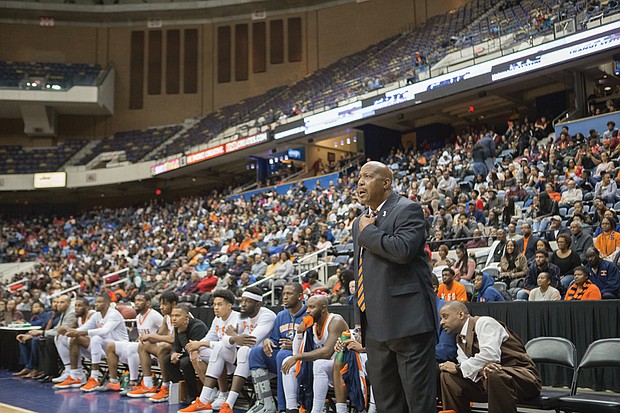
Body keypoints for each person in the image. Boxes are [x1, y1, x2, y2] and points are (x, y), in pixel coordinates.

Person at [353, 161, 437, 413]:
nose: (359, 182)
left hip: (407, 323)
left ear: (386, 182)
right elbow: (362, 272)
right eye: (359, 177)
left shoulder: (407, 209)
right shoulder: (361, 220)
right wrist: (361, 321)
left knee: (418, 404)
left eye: (367, 176)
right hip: (376, 326)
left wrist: (367, 232)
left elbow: (402, 251)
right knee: (387, 404)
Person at [181, 287, 276, 413]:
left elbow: (251, 341)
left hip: (265, 360)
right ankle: (204, 401)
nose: (243, 304)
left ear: (258, 304)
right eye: (242, 301)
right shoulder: (243, 316)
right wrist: (234, 338)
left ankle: (226, 401)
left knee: (242, 350)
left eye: (247, 301)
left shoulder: (267, 315)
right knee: (219, 348)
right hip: (243, 358)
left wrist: (233, 337)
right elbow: (226, 339)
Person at [438, 301, 541, 413]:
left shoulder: (485, 323)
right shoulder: (459, 338)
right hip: (487, 380)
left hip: (522, 377)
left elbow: (491, 355)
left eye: (445, 317)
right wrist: (471, 370)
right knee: (448, 376)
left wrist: (459, 368)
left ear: (461, 315)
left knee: (493, 373)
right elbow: (466, 365)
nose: (441, 323)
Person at [280, 295, 349, 413]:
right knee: (287, 361)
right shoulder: (313, 323)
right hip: (328, 367)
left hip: (344, 367)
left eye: (312, 307)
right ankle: (291, 408)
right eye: (307, 307)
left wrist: (298, 357)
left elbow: (327, 352)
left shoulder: (336, 321)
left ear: (323, 308)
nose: (307, 311)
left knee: (319, 364)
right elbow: (296, 353)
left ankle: (317, 410)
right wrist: (300, 333)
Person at [246, 283, 306, 413]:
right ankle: (265, 402)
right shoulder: (281, 316)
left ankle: (284, 407)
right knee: (256, 352)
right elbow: (275, 339)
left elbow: (315, 343)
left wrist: (296, 346)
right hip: (283, 358)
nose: (284, 297)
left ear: (300, 296)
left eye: (289, 294)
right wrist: (267, 341)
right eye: (284, 294)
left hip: (302, 359)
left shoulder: (309, 313)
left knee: (282, 355)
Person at [55, 293, 129, 392]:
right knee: (71, 338)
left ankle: (94, 378)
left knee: (96, 338)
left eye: (99, 302)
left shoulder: (114, 314)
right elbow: (83, 328)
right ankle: (75, 375)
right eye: (95, 302)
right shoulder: (97, 315)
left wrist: (80, 332)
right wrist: (68, 331)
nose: (96, 304)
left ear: (107, 304)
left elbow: (104, 331)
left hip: (120, 348)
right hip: (103, 348)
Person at [185, 289, 239, 410]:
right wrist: (196, 345)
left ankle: (223, 394)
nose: (216, 308)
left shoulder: (237, 318)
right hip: (220, 355)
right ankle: (212, 392)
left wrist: (201, 344)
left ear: (229, 306)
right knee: (196, 353)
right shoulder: (217, 319)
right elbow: (210, 336)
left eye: (220, 304)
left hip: (235, 357)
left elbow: (227, 343)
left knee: (217, 351)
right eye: (214, 304)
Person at [103, 292, 164, 393]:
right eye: (135, 300)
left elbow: (168, 330)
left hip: (154, 349)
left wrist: (155, 338)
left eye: (140, 300)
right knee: (111, 346)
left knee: (132, 348)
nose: (136, 303)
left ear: (148, 303)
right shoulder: (138, 316)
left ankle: (133, 383)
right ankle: (113, 381)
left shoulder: (154, 315)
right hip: (143, 347)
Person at [129, 291, 177, 401]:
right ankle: (148, 384)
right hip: (173, 348)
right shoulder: (166, 318)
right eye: (160, 304)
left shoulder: (181, 314)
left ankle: (166, 387)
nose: (161, 307)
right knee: (143, 344)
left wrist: (151, 336)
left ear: (173, 304)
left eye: (164, 304)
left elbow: (173, 338)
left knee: (162, 347)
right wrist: (150, 337)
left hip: (185, 348)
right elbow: (160, 334)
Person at [165, 305, 209, 405]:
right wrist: (174, 353)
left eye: (177, 315)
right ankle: (181, 390)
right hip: (188, 353)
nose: (174, 318)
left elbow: (191, 349)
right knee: (167, 360)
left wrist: (181, 333)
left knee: (185, 362)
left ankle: (193, 393)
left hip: (200, 356)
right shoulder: (177, 326)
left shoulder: (198, 326)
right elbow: (176, 345)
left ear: (186, 318)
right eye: (172, 316)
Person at [53, 297, 92, 385]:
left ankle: (78, 374)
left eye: (79, 306)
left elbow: (82, 331)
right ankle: (68, 370)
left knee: (74, 339)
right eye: (75, 306)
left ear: (86, 308)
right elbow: (71, 329)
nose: (76, 308)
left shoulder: (92, 314)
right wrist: (64, 330)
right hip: (86, 347)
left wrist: (66, 329)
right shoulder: (78, 318)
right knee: (60, 337)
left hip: (97, 348)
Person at [14, 300, 54, 378]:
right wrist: (29, 335)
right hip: (40, 334)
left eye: (36, 307)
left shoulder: (47, 315)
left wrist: (27, 324)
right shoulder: (34, 316)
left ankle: (35, 368)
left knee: (35, 340)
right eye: (33, 307)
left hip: (46, 336)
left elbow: (41, 324)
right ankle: (28, 366)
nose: (33, 308)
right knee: (23, 339)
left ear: (42, 308)